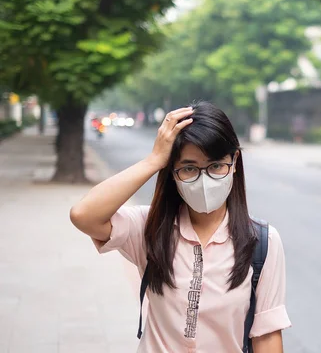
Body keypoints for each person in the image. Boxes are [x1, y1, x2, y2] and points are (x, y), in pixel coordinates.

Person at [70, 102, 291, 353]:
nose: (204, 179)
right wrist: (154, 160)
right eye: (189, 168)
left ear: (235, 161)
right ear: (172, 172)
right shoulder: (149, 228)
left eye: (216, 165)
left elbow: (267, 335)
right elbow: (83, 215)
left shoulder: (262, 242)